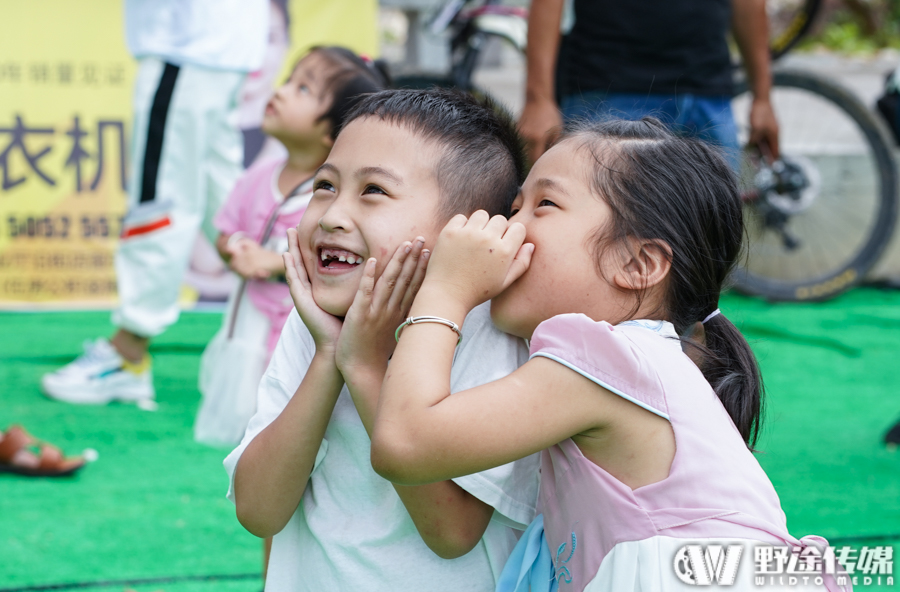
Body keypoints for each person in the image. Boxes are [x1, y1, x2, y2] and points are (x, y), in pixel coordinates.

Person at [370, 119, 846, 592]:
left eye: (545, 205)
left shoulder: (604, 357)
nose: (507, 227)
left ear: (637, 264)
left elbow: (405, 443)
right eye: (515, 207)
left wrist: (446, 290)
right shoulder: (641, 362)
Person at [224, 89, 540, 591]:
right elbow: (258, 510)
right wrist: (330, 355)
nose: (331, 215)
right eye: (324, 185)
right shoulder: (316, 326)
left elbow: (452, 532)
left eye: (372, 191)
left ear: (466, 232)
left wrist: (365, 364)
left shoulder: (489, 333)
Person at [41, 0, 269, 405]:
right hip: (217, 39)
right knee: (229, 206)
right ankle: (287, 336)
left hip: (188, 39)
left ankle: (128, 352)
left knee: (161, 199)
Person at [194, 46, 388, 447]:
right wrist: (234, 249)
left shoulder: (332, 202)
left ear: (330, 134)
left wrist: (271, 261)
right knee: (246, 404)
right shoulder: (257, 177)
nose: (280, 92)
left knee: (296, 400)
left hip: (296, 325)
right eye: (287, 81)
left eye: (302, 89)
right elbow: (225, 230)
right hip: (248, 320)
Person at [517, 0, 779, 167]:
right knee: (599, 241)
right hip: (609, 87)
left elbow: (750, 5)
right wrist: (538, 99)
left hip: (707, 94)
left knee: (713, 242)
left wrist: (763, 97)